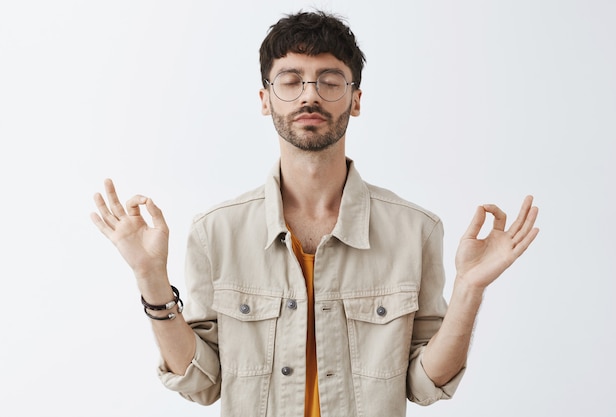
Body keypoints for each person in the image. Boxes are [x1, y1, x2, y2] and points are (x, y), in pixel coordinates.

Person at [91, 10, 539, 417]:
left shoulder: (415, 230)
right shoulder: (216, 231)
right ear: (266, 99)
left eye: (329, 80)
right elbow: (201, 382)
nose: (310, 96)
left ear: (355, 100)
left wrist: (469, 289)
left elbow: (425, 384)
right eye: (290, 80)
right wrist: (150, 276)